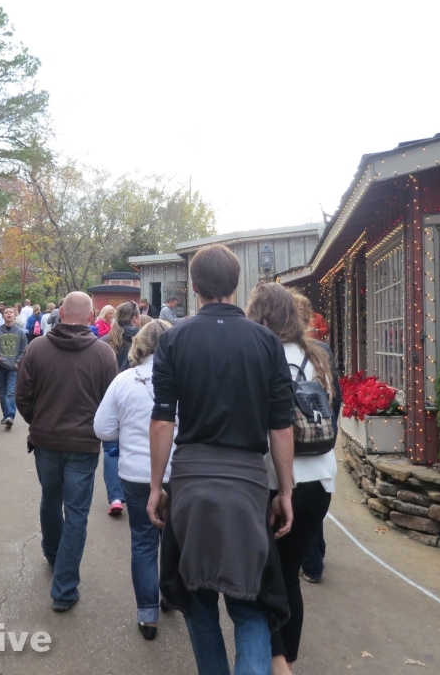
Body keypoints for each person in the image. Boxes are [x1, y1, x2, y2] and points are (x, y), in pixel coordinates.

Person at [148, 245, 294, 675]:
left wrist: (156, 486)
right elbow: (281, 426)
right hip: (247, 485)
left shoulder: (174, 339)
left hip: (191, 482)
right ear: (236, 282)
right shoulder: (266, 341)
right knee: (250, 604)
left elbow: (162, 420)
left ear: (194, 286)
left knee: (198, 602)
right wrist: (285, 491)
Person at [246, 283, 336, 674]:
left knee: (264, 577)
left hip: (275, 480)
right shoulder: (317, 357)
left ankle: (276, 660)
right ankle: (287, 660)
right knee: (288, 575)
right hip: (320, 478)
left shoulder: (258, 355)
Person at [15, 291, 118, 612]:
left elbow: (22, 396)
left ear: (60, 312)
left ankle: (53, 554)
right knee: (76, 513)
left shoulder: (37, 348)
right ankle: (64, 588)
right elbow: (110, 404)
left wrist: (39, 421)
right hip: (84, 445)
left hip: (46, 441)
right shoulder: (104, 354)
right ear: (91, 317)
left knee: (50, 498)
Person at [94, 319, 176, 641]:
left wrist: (127, 431)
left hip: (137, 472)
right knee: (175, 538)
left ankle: (147, 614)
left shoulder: (125, 380)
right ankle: (171, 595)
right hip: (178, 471)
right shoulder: (187, 378)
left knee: (143, 541)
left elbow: (103, 429)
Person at [290, 292, 341, 583]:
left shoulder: (280, 350)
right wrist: (328, 427)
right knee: (315, 500)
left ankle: (311, 563)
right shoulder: (322, 350)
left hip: (296, 437)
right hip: (320, 433)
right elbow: (335, 395)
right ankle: (316, 554)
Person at [100, 300, 141, 517]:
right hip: (135, 401)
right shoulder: (143, 341)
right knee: (135, 445)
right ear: (135, 318)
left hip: (110, 399)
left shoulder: (105, 342)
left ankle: (115, 497)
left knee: (110, 449)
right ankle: (136, 491)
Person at [0, 307, 27, 430]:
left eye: (11, 312)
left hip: (14, 368)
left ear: (14, 315)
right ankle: (5, 415)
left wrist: (18, 362)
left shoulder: (20, 333)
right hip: (1, 367)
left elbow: (24, 350)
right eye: (6, 313)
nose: (9, 314)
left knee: (10, 392)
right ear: (3, 316)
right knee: (2, 393)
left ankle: (10, 416)